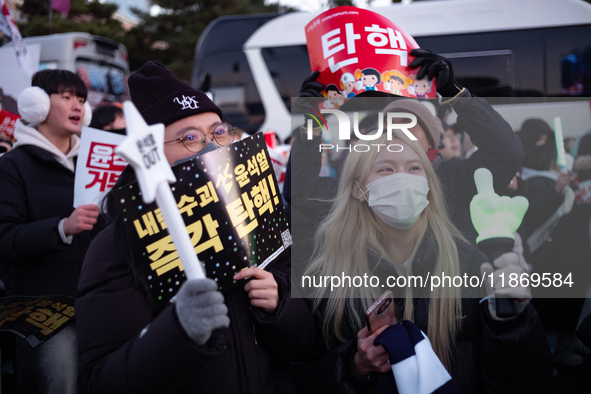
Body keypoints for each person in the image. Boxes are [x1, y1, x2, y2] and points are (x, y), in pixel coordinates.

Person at [75, 61, 315, 394]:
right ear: (151, 154)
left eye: (217, 131)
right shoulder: (118, 245)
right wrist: (178, 331)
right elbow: (101, 381)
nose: (211, 146)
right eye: (189, 137)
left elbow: (306, 348)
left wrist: (281, 305)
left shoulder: (257, 216)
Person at [298, 130, 552, 393]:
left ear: (429, 183)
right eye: (386, 169)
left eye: (414, 167)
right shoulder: (328, 276)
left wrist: (512, 324)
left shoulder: (470, 263)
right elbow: (306, 377)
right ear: (357, 189)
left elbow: (524, 380)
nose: (403, 179)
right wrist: (355, 367)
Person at [0, 69, 101, 393]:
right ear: (37, 104)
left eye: (81, 99)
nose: (77, 106)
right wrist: (62, 228)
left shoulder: (95, 163)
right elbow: (5, 239)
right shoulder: (12, 166)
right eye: (66, 96)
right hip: (45, 313)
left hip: (98, 301)